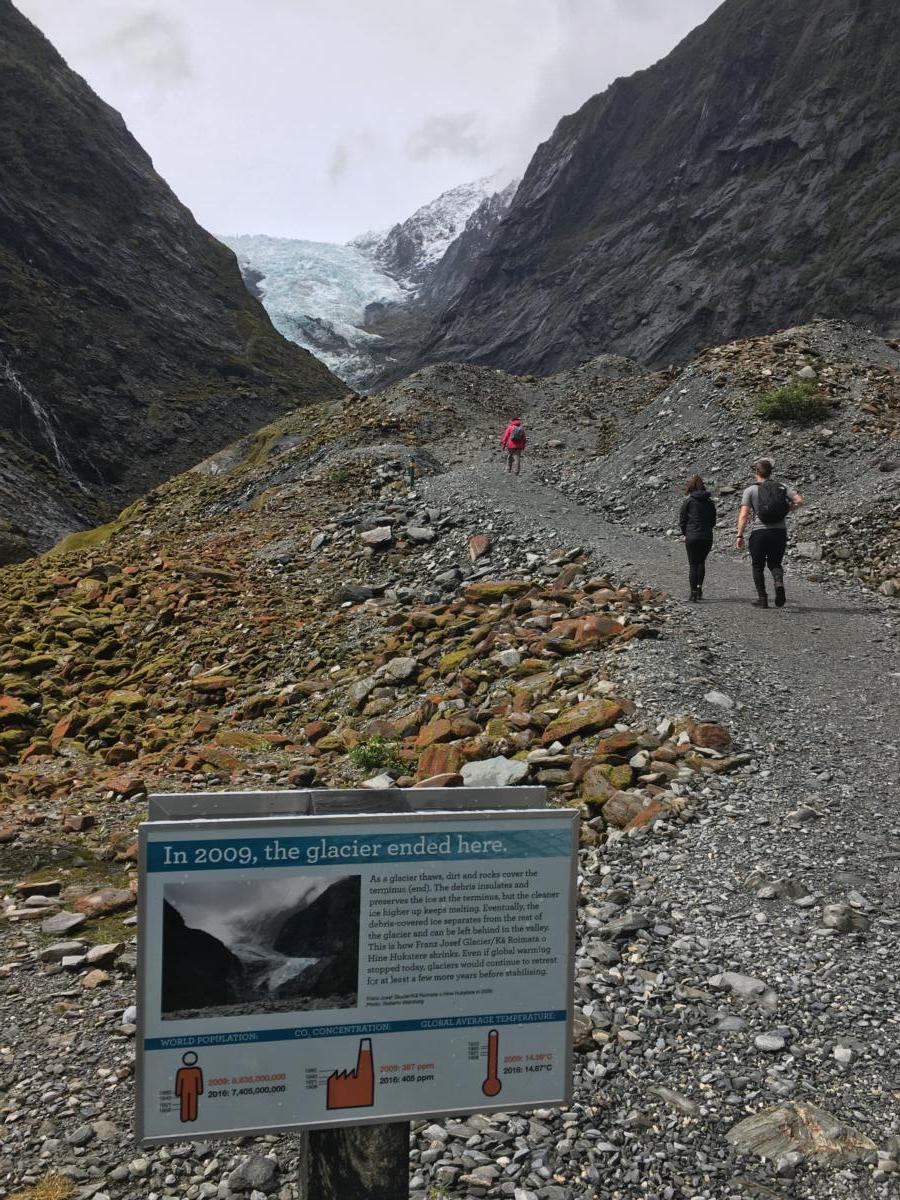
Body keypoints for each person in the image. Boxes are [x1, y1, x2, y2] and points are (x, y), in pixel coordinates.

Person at [736, 458, 803, 608]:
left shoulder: (750, 490)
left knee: (758, 565)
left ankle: (763, 599)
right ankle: (778, 583)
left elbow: (743, 514)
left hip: (759, 533)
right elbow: (799, 500)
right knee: (775, 563)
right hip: (779, 532)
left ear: (756, 472)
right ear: (771, 472)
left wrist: (739, 535)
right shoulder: (782, 486)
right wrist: (787, 510)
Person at [679, 475, 716, 601]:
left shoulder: (688, 501)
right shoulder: (709, 502)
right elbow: (713, 521)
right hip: (706, 536)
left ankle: (693, 592)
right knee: (701, 562)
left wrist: (686, 533)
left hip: (692, 536)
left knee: (693, 564)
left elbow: (682, 520)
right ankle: (699, 588)